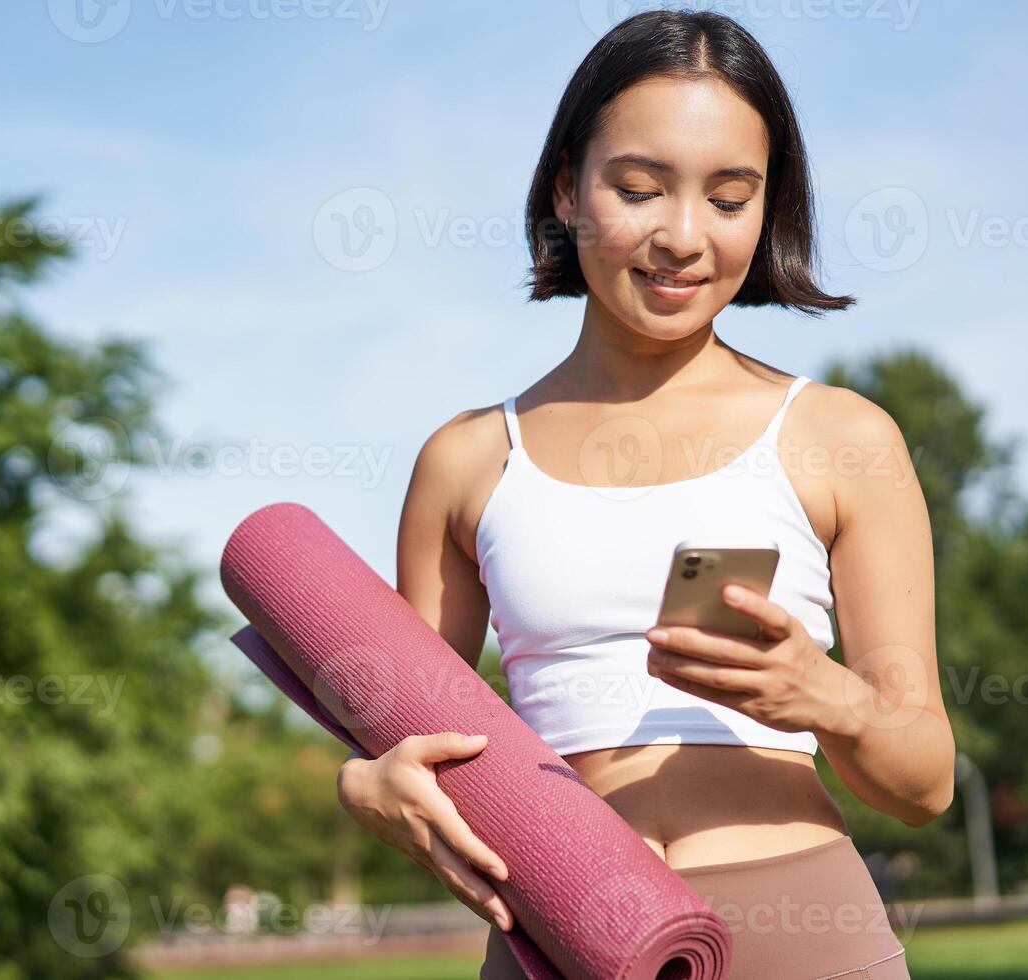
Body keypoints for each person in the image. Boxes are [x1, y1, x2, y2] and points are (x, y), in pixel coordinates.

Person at [335, 9, 953, 979]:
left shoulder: (844, 437)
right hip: (563, 932)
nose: (682, 236)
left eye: (729, 196)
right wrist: (366, 783)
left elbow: (924, 780)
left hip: (800, 928)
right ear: (568, 190)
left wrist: (830, 698)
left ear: (768, 207)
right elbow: (414, 742)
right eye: (638, 187)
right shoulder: (465, 460)